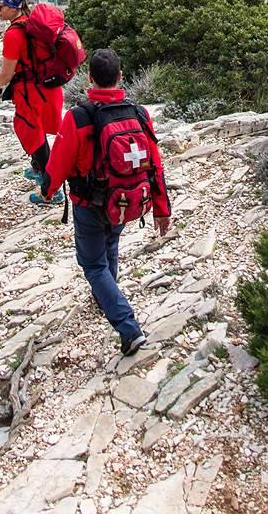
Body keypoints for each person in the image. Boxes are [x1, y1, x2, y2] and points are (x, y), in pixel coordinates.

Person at [43, 48, 172, 355]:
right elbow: (155, 165)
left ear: (89, 79)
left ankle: (128, 327)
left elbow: (59, 162)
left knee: (92, 264)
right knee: (110, 243)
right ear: (120, 77)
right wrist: (162, 209)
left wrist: (48, 190)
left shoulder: (78, 117)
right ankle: (105, 296)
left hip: (89, 204)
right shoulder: (139, 113)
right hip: (126, 200)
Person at [0, 0, 65, 204]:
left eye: (0, 6)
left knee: (32, 134)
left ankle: (51, 189)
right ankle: (37, 168)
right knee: (37, 130)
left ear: (13, 7)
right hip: (49, 88)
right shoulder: (34, 24)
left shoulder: (14, 34)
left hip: (31, 93)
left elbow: (6, 73)